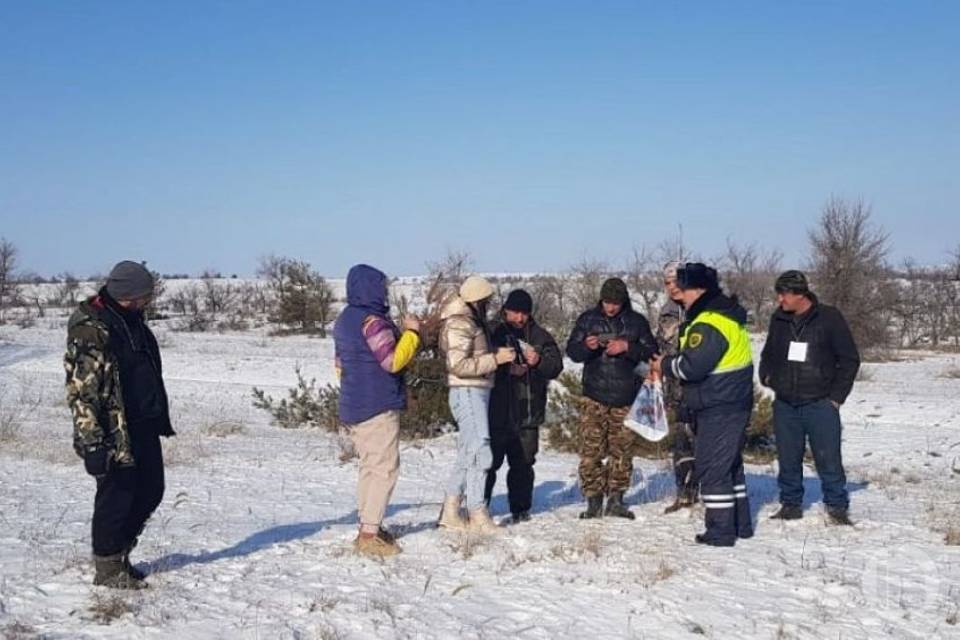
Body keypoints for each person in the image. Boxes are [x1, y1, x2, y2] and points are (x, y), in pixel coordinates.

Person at [65, 260, 174, 588]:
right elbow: (82, 392)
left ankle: (120, 552)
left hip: (142, 422)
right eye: (143, 296)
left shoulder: (133, 319)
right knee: (117, 496)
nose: (147, 301)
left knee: (152, 488)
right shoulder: (92, 327)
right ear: (127, 294)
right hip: (113, 429)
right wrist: (92, 441)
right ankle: (109, 568)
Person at [652, 263, 754, 546]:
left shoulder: (709, 322)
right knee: (730, 466)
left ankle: (720, 531)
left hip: (720, 405)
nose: (678, 294)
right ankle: (740, 524)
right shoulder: (723, 316)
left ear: (697, 289)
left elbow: (692, 367)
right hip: (728, 401)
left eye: (682, 289)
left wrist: (664, 364)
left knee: (712, 467)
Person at [759, 270, 860, 525]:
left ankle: (837, 506)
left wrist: (836, 397)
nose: (779, 299)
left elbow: (849, 360)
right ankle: (790, 504)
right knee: (788, 457)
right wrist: (767, 376)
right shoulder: (779, 319)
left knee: (828, 457)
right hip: (785, 403)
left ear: (799, 294)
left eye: (784, 294)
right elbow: (769, 352)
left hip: (820, 403)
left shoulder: (829, 318)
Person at [333, 264, 422, 557]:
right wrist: (412, 334)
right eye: (382, 286)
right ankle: (369, 536)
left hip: (354, 403)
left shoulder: (344, 320)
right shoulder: (373, 321)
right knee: (384, 468)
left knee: (369, 466)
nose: (385, 291)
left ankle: (368, 524)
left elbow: (339, 366)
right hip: (378, 404)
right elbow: (393, 361)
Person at [566, 277, 657, 520]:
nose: (611, 307)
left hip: (626, 397)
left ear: (623, 301)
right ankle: (593, 501)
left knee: (622, 452)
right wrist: (587, 346)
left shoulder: (637, 322)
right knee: (591, 452)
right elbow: (572, 352)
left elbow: (652, 353)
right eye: (607, 302)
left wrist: (628, 348)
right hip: (594, 396)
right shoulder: (587, 319)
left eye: (615, 303)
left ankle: (616, 500)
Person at [437, 276, 515, 533]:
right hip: (467, 390)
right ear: (477, 300)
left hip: (476, 391)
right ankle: (477, 511)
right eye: (486, 300)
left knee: (468, 452)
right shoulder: (460, 323)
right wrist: (496, 359)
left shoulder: (469, 320)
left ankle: (451, 510)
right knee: (481, 450)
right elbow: (458, 365)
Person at [484, 289, 563, 523]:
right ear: (505, 310)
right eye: (515, 312)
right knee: (489, 463)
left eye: (524, 313)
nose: (519, 318)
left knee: (523, 464)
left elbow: (556, 366)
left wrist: (537, 361)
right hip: (497, 412)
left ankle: (520, 509)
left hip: (528, 413)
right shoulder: (493, 332)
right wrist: (505, 367)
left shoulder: (541, 336)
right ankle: (479, 507)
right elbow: (479, 362)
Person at [657, 261, 698, 514]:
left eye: (676, 281)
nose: (672, 287)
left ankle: (706, 489)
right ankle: (684, 493)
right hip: (675, 389)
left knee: (704, 443)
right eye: (667, 282)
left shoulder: (700, 308)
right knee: (681, 443)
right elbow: (662, 347)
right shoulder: (666, 311)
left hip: (700, 388)